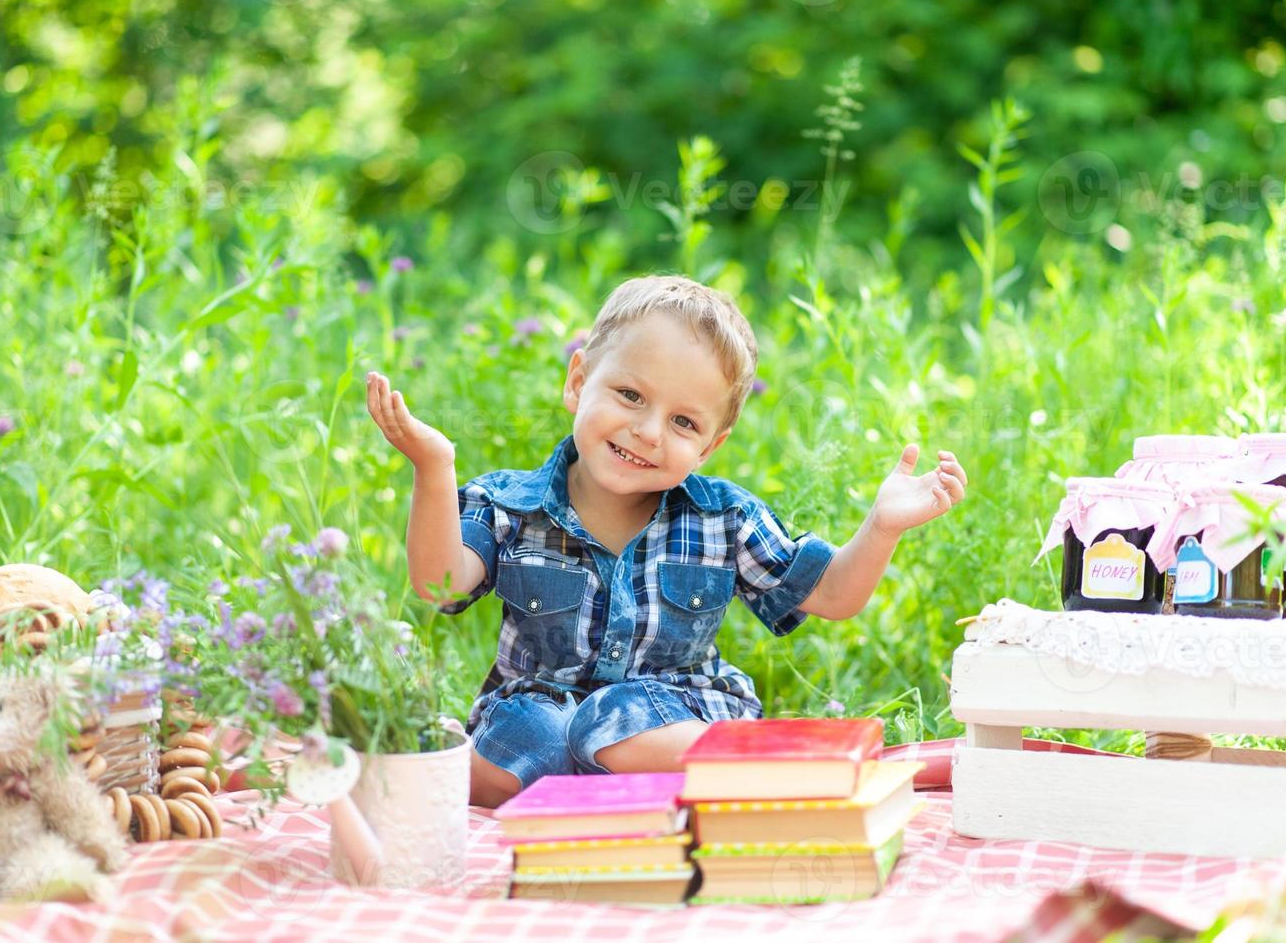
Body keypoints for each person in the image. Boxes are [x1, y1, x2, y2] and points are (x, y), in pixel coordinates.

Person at [366, 275, 967, 808]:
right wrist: (433, 467)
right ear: (578, 382)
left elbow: (833, 595)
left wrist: (882, 525)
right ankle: (632, 795)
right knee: (540, 742)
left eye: (684, 422)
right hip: (538, 713)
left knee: (605, 723)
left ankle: (759, 768)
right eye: (630, 395)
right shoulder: (507, 505)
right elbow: (438, 583)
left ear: (710, 445)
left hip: (672, 717)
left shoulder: (721, 518)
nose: (648, 432)